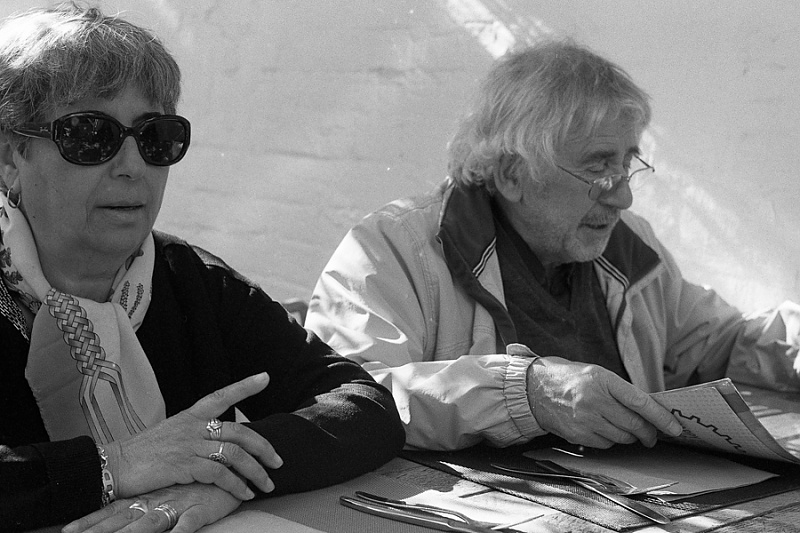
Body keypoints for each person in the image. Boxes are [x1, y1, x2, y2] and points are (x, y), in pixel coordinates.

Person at [0, 4, 404, 532]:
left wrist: (218, 471)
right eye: (89, 135)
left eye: (155, 137)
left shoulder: (191, 280)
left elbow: (363, 406)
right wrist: (117, 465)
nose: (133, 166)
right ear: (10, 157)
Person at [306, 38, 800, 453]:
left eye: (626, 163)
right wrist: (527, 393)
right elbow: (346, 398)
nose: (623, 196)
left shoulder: (625, 247)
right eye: (598, 166)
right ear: (512, 173)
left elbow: (720, 341)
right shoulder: (392, 248)